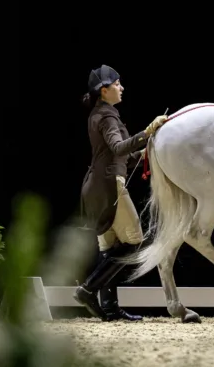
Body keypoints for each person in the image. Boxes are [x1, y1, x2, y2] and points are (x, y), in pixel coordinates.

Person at [73, 64, 167, 321]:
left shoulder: (98, 114)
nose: (121, 87)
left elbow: (119, 155)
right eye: (117, 84)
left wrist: (144, 154)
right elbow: (118, 147)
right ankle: (87, 289)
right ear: (104, 91)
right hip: (109, 186)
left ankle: (110, 308)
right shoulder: (107, 116)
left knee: (110, 249)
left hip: (95, 187)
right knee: (135, 242)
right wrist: (149, 131)